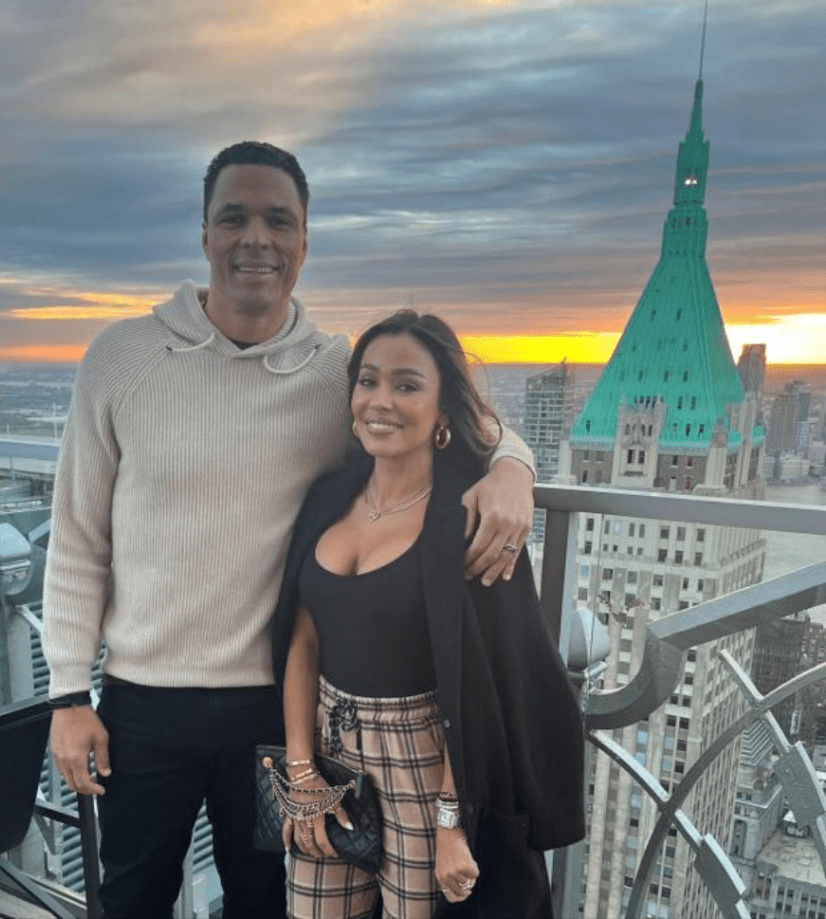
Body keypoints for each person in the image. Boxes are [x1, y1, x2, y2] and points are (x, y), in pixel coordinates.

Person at [42, 141, 538, 919]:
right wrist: (68, 693)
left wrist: (514, 467)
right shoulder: (120, 359)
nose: (256, 239)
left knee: (268, 902)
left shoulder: (332, 375)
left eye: (279, 220)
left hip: (276, 711)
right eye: (233, 217)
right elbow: (76, 536)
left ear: (305, 241)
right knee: (130, 896)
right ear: (204, 234)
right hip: (144, 704)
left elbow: (442, 416)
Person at [273, 311, 585, 919]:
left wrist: (449, 821)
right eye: (368, 381)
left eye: (407, 385)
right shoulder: (329, 496)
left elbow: (477, 682)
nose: (380, 401)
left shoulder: (469, 518)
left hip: (424, 759)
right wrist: (300, 769)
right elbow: (303, 643)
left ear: (444, 411)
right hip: (329, 749)